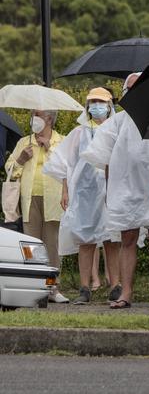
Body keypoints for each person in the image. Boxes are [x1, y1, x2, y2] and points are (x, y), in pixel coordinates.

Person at [81, 72, 149, 309]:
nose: (132, 92)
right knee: (127, 239)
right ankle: (126, 293)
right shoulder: (116, 123)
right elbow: (106, 159)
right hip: (126, 191)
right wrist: (111, 192)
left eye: (137, 87)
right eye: (128, 88)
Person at [43, 87, 121, 305]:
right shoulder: (79, 133)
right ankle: (85, 287)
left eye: (101, 102)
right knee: (85, 241)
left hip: (111, 191)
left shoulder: (117, 129)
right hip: (85, 193)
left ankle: (116, 285)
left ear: (109, 105)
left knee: (111, 240)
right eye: (93, 102)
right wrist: (65, 189)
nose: (97, 106)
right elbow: (65, 161)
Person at [5, 109, 68, 303]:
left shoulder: (62, 141)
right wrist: (21, 160)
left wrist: (50, 149)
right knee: (31, 245)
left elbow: (69, 169)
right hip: (30, 197)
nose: (34, 118)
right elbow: (9, 170)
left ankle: (53, 289)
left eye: (37, 114)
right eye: (33, 114)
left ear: (49, 118)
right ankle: (33, 287)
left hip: (54, 198)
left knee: (52, 244)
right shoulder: (24, 142)